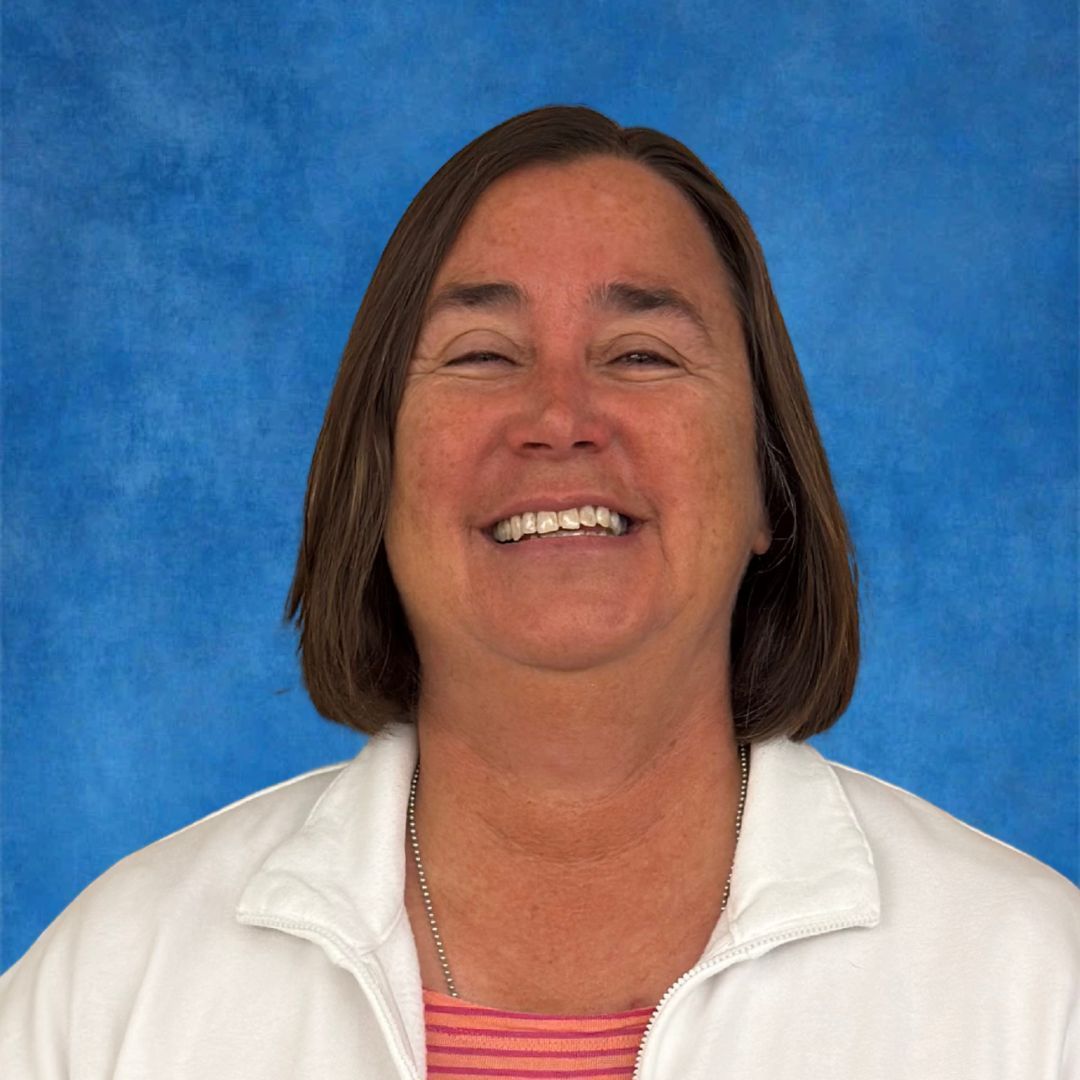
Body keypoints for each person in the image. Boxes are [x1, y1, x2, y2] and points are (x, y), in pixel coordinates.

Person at [1, 105, 1076, 1079]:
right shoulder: (106, 996)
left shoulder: (1039, 994)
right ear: (373, 479)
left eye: (644, 353)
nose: (559, 416)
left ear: (770, 491)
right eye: (479, 355)